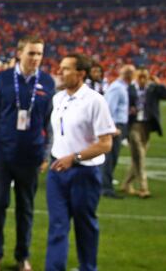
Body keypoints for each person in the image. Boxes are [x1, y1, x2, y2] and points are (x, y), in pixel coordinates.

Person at [0, 35, 54, 271]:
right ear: (19, 53)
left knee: (26, 208)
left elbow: (50, 121)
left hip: (31, 156)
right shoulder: (2, 79)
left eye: (39, 54)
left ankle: (23, 256)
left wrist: (47, 153)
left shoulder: (48, 82)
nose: (35, 58)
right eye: (31, 53)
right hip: (3, 154)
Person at [46, 53, 115, 271]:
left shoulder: (95, 101)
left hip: (85, 172)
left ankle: (87, 267)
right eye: (60, 67)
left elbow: (106, 144)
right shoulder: (58, 98)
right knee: (57, 225)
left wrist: (74, 158)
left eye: (66, 68)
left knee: (85, 226)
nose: (59, 72)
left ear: (81, 74)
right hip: (57, 171)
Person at [120, 67, 166, 197]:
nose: (143, 79)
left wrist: (159, 84)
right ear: (136, 77)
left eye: (145, 77)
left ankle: (126, 184)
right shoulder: (129, 89)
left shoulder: (153, 89)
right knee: (140, 155)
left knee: (137, 157)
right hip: (133, 125)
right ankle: (144, 188)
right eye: (140, 77)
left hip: (147, 126)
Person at [101, 64, 133, 198]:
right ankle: (105, 188)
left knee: (112, 158)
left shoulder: (120, 87)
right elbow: (108, 107)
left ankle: (106, 185)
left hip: (118, 125)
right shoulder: (117, 88)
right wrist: (111, 127)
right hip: (115, 126)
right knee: (109, 158)